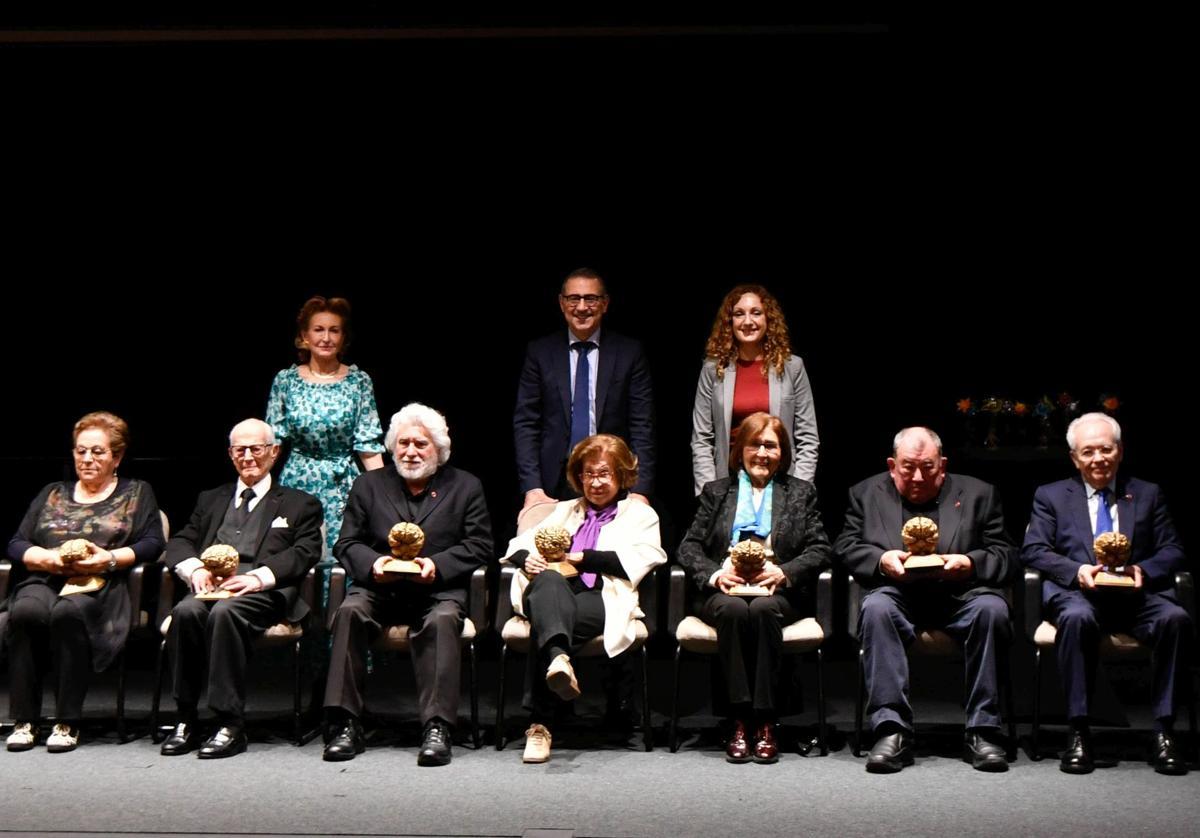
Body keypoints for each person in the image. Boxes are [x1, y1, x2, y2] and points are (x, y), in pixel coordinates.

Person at [835, 426, 1016, 773]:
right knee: (876, 608)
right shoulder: (865, 494)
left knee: (991, 609)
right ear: (892, 465)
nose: (917, 477)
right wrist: (879, 560)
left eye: (928, 467)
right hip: (898, 594)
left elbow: (1006, 553)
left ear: (943, 464)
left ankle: (983, 730)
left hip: (960, 595)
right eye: (907, 467)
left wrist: (971, 563)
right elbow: (845, 546)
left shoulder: (980, 494)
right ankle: (890, 730)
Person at [322, 403, 492, 766]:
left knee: (443, 620)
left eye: (421, 444)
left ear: (439, 449)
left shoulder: (465, 486)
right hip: (380, 588)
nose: (411, 452)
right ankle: (346, 723)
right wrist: (375, 562)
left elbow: (480, 545)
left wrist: (437, 564)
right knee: (349, 611)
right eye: (403, 444)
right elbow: (346, 543)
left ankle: (437, 726)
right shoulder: (368, 485)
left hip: (437, 590)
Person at [1022, 412, 1191, 775]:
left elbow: (1173, 549)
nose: (1098, 459)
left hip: (1135, 597)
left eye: (1105, 449)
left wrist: (1143, 571)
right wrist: (1075, 570)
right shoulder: (1051, 496)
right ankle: (1079, 730)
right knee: (1077, 618)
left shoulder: (1147, 493)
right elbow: (1034, 550)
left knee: (1175, 619)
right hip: (1080, 596)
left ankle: (1164, 730)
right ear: (1074, 458)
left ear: (1120, 451)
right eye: (1088, 452)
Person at [159, 418, 323, 758]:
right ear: (231, 454)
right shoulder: (210, 499)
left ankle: (228, 723)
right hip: (211, 588)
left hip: (264, 593)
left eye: (256, 448)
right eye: (240, 449)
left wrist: (257, 577)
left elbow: (306, 551)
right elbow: (180, 542)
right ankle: (186, 718)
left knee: (225, 613)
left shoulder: (298, 503)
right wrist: (194, 569)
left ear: (274, 452)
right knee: (185, 611)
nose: (248, 456)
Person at [4, 412, 164, 752]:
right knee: (26, 611)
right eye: (81, 451)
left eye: (97, 452)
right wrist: (44, 558)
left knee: (68, 612)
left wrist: (106, 559)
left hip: (100, 584)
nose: (87, 459)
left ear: (116, 456)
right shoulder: (52, 493)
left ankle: (67, 720)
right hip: (46, 577)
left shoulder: (136, 492)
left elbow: (153, 543)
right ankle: (25, 719)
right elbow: (17, 542)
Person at [501, 434, 666, 763]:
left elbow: (644, 558)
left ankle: (539, 725)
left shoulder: (640, 515)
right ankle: (559, 661)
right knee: (547, 580)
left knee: (547, 624)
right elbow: (515, 547)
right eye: (588, 474)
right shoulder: (564, 511)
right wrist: (526, 559)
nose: (596, 482)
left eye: (604, 473)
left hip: (602, 598)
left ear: (621, 475)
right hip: (557, 593)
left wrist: (580, 557)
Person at [677, 413, 831, 763]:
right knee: (734, 610)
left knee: (761, 610)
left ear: (783, 452)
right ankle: (738, 719)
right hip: (724, 590)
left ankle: (763, 720)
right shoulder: (716, 492)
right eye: (755, 444)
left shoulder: (800, 493)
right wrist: (716, 575)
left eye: (771, 446)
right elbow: (688, 547)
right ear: (740, 450)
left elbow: (821, 548)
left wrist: (784, 572)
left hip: (777, 592)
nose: (762, 453)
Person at [266, 295, 385, 596]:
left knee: (341, 562)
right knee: (296, 559)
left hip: (343, 485)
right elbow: (271, 442)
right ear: (304, 336)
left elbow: (368, 443)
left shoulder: (358, 381)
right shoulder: (286, 380)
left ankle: (341, 639)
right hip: (297, 482)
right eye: (319, 329)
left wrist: (384, 496)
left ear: (344, 337)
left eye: (335, 330)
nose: (326, 337)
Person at [514, 267, 656, 512]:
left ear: (605, 304)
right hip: (552, 483)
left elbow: (642, 424)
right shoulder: (540, 352)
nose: (581, 307)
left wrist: (640, 490)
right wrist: (532, 487)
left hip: (613, 477)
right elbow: (526, 423)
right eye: (573, 299)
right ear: (561, 303)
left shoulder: (628, 353)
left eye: (590, 298)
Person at [691, 284, 818, 495]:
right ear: (729, 322)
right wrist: (708, 491)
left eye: (756, 313)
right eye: (739, 314)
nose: (747, 321)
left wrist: (799, 489)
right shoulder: (713, 369)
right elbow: (701, 438)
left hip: (781, 482)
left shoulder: (792, 367)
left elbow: (808, 437)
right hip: (728, 483)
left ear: (768, 319)